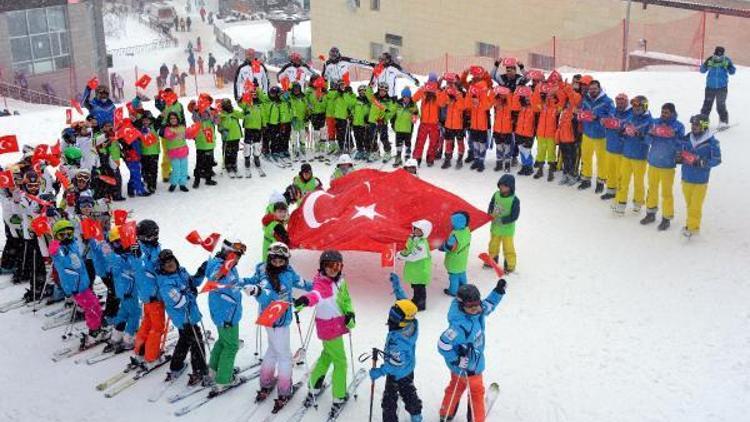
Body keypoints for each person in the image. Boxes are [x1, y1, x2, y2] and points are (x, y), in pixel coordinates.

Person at [243, 242, 313, 407]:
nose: (278, 263)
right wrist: (254, 289)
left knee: (273, 351)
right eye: (275, 260)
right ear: (269, 258)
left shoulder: (288, 273)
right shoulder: (265, 275)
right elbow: (265, 294)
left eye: (282, 260)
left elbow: (302, 283)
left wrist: (319, 285)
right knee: (284, 357)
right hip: (276, 321)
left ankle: (266, 382)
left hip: (272, 320)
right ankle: (284, 390)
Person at [294, 250, 356, 418]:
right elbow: (315, 295)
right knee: (340, 362)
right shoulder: (322, 284)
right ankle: (339, 396)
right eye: (329, 266)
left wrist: (350, 313)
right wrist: (305, 301)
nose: (333, 269)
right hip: (330, 328)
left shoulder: (341, 281)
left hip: (338, 324)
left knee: (327, 356)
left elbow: (346, 299)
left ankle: (314, 386)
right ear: (322, 267)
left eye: (337, 265)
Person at [437, 280, 506, 422]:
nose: (475, 308)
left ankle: (446, 412)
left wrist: (498, 291)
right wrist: (456, 359)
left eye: (477, 304)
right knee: (476, 392)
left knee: (456, 386)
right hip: (471, 367)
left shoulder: (476, 310)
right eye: (470, 306)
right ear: (462, 305)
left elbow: (488, 305)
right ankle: (476, 419)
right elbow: (443, 344)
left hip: (460, 368)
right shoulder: (460, 326)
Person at [370, 273, 423, 422]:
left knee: (390, 399)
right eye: (392, 313)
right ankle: (416, 414)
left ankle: (391, 418)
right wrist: (396, 285)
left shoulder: (397, 342)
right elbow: (403, 301)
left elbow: (394, 366)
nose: (391, 318)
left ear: (403, 321)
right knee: (408, 391)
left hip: (397, 372)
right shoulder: (410, 322)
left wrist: (379, 371)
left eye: (395, 317)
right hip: (409, 367)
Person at [49, 220, 106, 348]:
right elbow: (56, 255)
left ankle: (96, 327)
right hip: (76, 287)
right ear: (56, 237)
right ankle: (94, 332)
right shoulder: (59, 251)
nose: (66, 237)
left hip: (83, 284)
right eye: (61, 235)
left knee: (94, 306)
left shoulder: (72, 244)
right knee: (93, 308)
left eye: (69, 234)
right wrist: (54, 247)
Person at [157, 249, 209, 386]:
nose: (170, 264)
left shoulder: (181, 271)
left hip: (189, 315)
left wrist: (201, 271)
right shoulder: (165, 284)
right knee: (197, 342)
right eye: (166, 263)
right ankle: (199, 371)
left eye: (171, 261)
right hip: (184, 318)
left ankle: (176, 366)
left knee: (185, 340)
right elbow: (180, 302)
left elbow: (193, 282)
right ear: (162, 266)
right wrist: (191, 293)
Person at [89, 227, 142, 354]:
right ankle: (129, 339)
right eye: (116, 243)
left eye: (122, 241)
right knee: (135, 314)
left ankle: (116, 337)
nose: (120, 245)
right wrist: (101, 243)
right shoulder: (118, 258)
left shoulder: (122, 255)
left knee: (123, 313)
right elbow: (135, 266)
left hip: (123, 292)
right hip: (129, 292)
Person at [204, 240, 246, 393]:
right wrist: (221, 271)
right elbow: (215, 277)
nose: (237, 258)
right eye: (234, 254)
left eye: (239, 256)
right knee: (231, 346)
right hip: (226, 315)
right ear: (226, 252)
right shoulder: (220, 266)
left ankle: (214, 370)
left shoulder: (229, 265)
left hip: (225, 313)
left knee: (223, 342)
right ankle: (224, 379)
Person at [129, 220, 167, 369]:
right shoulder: (140, 251)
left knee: (148, 322)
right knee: (157, 327)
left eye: (156, 234)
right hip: (152, 294)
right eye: (151, 235)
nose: (155, 237)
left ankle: (140, 349)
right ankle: (151, 356)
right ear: (143, 237)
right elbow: (141, 269)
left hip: (152, 292)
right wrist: (137, 256)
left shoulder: (154, 246)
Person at [642, 103, 685, 230]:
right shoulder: (655, 122)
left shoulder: (678, 126)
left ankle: (666, 218)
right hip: (653, 162)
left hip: (667, 165)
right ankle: (650, 213)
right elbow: (646, 141)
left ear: (672, 113)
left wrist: (672, 136)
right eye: (662, 112)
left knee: (666, 193)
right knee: (652, 190)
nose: (663, 114)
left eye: (666, 112)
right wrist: (651, 133)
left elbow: (682, 144)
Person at [677, 114, 722, 238]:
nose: (694, 127)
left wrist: (703, 162)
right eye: (693, 124)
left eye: (697, 125)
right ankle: (692, 224)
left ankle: (691, 228)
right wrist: (679, 157)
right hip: (686, 177)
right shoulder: (687, 139)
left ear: (704, 126)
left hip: (701, 180)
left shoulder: (712, 142)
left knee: (695, 205)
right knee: (690, 204)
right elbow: (678, 150)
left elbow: (717, 159)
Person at [614, 95, 652, 215]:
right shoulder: (630, 118)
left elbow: (650, 140)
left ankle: (638, 202)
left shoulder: (650, 121)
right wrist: (621, 132)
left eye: (638, 106)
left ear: (644, 106)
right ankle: (621, 202)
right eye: (634, 105)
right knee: (622, 179)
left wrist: (640, 135)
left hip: (640, 156)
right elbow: (623, 132)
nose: (635, 108)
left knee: (638, 181)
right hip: (626, 154)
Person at [578, 80, 614, 192]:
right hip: (587, 133)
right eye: (591, 89)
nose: (592, 91)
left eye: (595, 89)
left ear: (599, 88)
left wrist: (598, 117)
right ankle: (586, 179)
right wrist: (580, 114)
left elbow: (612, 116)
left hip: (601, 135)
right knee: (586, 157)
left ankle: (601, 181)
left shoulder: (607, 101)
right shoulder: (586, 99)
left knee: (601, 160)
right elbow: (582, 110)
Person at [600, 93, 632, 200]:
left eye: (622, 101)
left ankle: (620, 194)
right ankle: (610, 190)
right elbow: (605, 119)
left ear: (627, 102)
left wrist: (619, 125)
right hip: (610, 146)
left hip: (621, 149)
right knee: (610, 171)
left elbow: (629, 126)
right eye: (618, 101)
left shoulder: (631, 113)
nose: (620, 103)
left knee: (620, 174)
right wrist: (603, 122)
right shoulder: (613, 111)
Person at [396, 220, 432, 311]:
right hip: (415, 269)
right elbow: (408, 249)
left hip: (420, 269)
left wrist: (401, 256)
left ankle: (420, 304)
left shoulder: (422, 244)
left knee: (419, 287)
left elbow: (414, 256)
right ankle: (416, 300)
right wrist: (403, 253)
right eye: (416, 229)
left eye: (420, 230)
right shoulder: (414, 239)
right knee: (415, 286)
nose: (416, 231)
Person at [487, 174, 519, 273]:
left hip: (507, 229)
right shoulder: (496, 194)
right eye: (501, 185)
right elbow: (491, 205)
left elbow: (515, 216)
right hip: (495, 227)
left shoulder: (514, 200)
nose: (502, 187)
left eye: (505, 186)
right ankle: (492, 260)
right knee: (493, 245)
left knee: (508, 248)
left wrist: (503, 220)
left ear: (510, 187)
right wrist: (489, 213)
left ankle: (510, 265)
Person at [412, 81, 446, 166]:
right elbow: (414, 99)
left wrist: (439, 92)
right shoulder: (423, 93)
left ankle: (430, 158)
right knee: (420, 142)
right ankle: (417, 158)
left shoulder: (437, 94)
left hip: (434, 124)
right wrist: (421, 89)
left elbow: (442, 104)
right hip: (424, 123)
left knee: (433, 143)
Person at [699, 46, 735, 128]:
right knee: (707, 105)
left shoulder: (726, 60)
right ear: (714, 53)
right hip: (710, 87)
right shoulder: (710, 59)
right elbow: (702, 71)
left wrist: (729, 67)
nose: (718, 57)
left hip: (722, 88)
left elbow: (732, 71)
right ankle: (703, 123)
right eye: (716, 55)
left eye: (720, 55)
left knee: (721, 105)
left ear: (723, 54)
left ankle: (723, 122)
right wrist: (706, 65)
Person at [439, 211, 471, 297]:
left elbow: (449, 247)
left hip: (454, 260)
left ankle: (453, 291)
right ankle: (464, 287)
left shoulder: (455, 235)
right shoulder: (466, 230)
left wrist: (441, 247)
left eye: (452, 221)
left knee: (454, 277)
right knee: (462, 273)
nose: (451, 223)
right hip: (463, 258)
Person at [389, 87, 419, 167]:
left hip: (408, 128)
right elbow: (391, 112)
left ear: (410, 97)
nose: (406, 99)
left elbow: (416, 117)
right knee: (398, 144)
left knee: (407, 143)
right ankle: (398, 156)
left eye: (408, 97)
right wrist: (391, 105)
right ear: (402, 97)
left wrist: (415, 115)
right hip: (399, 128)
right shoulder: (397, 104)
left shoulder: (413, 105)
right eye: (405, 97)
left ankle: (407, 156)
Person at [161, 112, 189, 192]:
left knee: (184, 169)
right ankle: (173, 183)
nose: (173, 120)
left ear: (177, 119)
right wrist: (176, 135)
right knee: (176, 169)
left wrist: (191, 132)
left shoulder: (182, 127)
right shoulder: (167, 129)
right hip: (174, 154)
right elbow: (168, 136)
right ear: (169, 120)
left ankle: (182, 184)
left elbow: (188, 134)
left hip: (183, 152)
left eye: (174, 118)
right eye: (171, 118)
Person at [218, 98, 244, 178]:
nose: (227, 106)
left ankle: (234, 164)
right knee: (227, 152)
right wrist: (222, 130)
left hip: (236, 135)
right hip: (227, 137)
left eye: (228, 104)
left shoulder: (234, 112)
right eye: (225, 105)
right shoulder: (221, 115)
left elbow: (242, 115)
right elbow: (219, 126)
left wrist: (245, 107)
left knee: (234, 151)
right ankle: (228, 166)